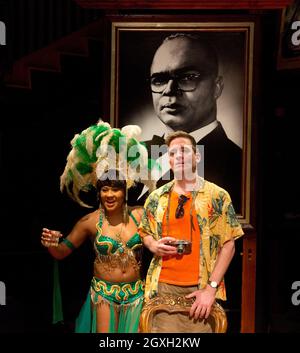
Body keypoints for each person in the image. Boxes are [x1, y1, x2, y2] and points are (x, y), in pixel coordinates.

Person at [41, 121, 156, 333]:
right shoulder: (90, 222)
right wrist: (51, 244)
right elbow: (61, 253)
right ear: (98, 192)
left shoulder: (139, 214)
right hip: (104, 296)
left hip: (136, 295)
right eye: (104, 190)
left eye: (115, 189)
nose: (109, 195)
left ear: (124, 192)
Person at [139, 131, 244, 333]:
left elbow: (229, 245)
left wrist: (211, 289)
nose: (178, 156)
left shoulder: (217, 195)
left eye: (184, 151)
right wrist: (153, 244)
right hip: (163, 289)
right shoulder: (156, 197)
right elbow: (145, 232)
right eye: (172, 153)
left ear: (197, 156)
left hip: (201, 289)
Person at [146, 33, 242, 211]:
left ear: (217, 87)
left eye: (187, 77)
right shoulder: (136, 155)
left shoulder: (239, 164)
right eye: (159, 80)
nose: (169, 90)